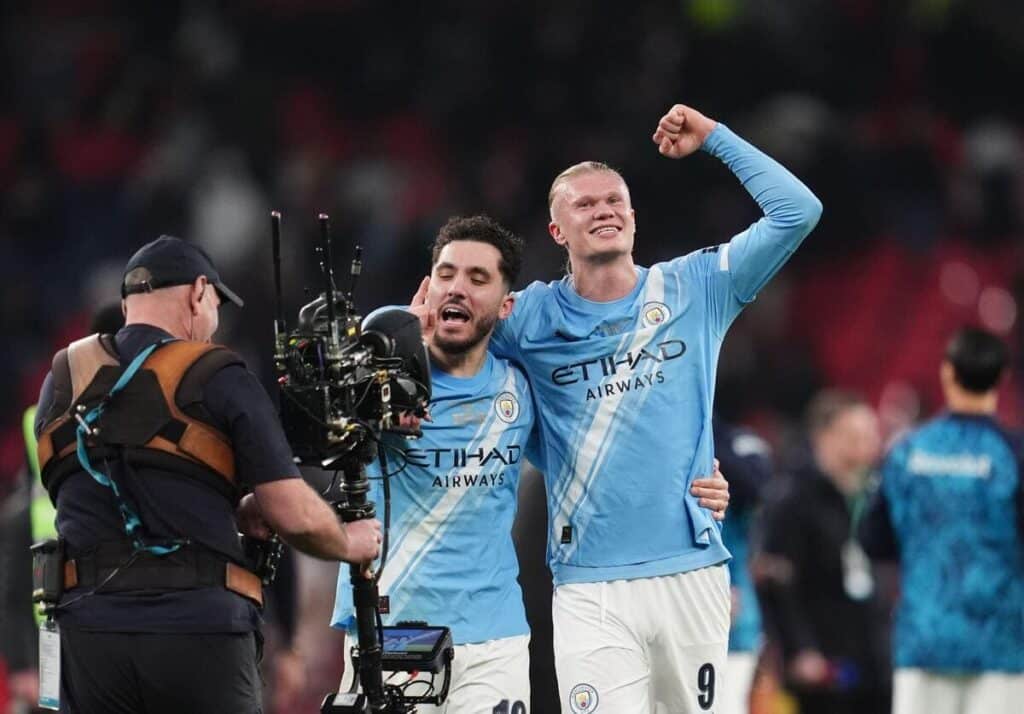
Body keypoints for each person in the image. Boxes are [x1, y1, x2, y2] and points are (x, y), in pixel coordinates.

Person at [482, 102, 821, 713]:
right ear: (557, 232)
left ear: (633, 219)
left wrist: (716, 139)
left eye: (615, 200)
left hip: (691, 574)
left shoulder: (696, 287)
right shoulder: (528, 316)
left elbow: (799, 212)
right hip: (589, 584)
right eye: (584, 204)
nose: (604, 210)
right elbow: (450, 347)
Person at [332, 215, 733, 713]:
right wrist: (394, 334)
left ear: (505, 306)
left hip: (494, 636)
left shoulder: (520, 392)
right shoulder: (376, 384)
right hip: (392, 629)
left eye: (478, 279)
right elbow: (316, 419)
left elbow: (598, 461)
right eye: (447, 274)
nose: (457, 288)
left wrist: (700, 480)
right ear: (426, 287)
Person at [33, 235, 382, 714]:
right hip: (197, 629)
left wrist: (220, 505)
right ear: (199, 292)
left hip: (87, 632)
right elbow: (291, 512)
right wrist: (350, 542)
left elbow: (87, 488)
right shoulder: (218, 371)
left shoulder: (61, 378)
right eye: (216, 303)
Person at [860, 327, 1024, 714]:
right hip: (1000, 644)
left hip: (924, 638)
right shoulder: (1014, 454)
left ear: (947, 372)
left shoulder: (905, 453)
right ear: (1003, 378)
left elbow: (873, 540)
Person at [756, 390, 889, 714]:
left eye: (871, 436)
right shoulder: (792, 498)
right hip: (822, 660)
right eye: (853, 436)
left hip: (871, 655)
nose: (866, 447)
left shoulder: (873, 495)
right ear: (823, 437)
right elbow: (776, 581)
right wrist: (799, 649)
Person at [713, 417, 773, 714]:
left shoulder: (737, 441)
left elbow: (758, 486)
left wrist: (700, 432)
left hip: (735, 610)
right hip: (673, 602)